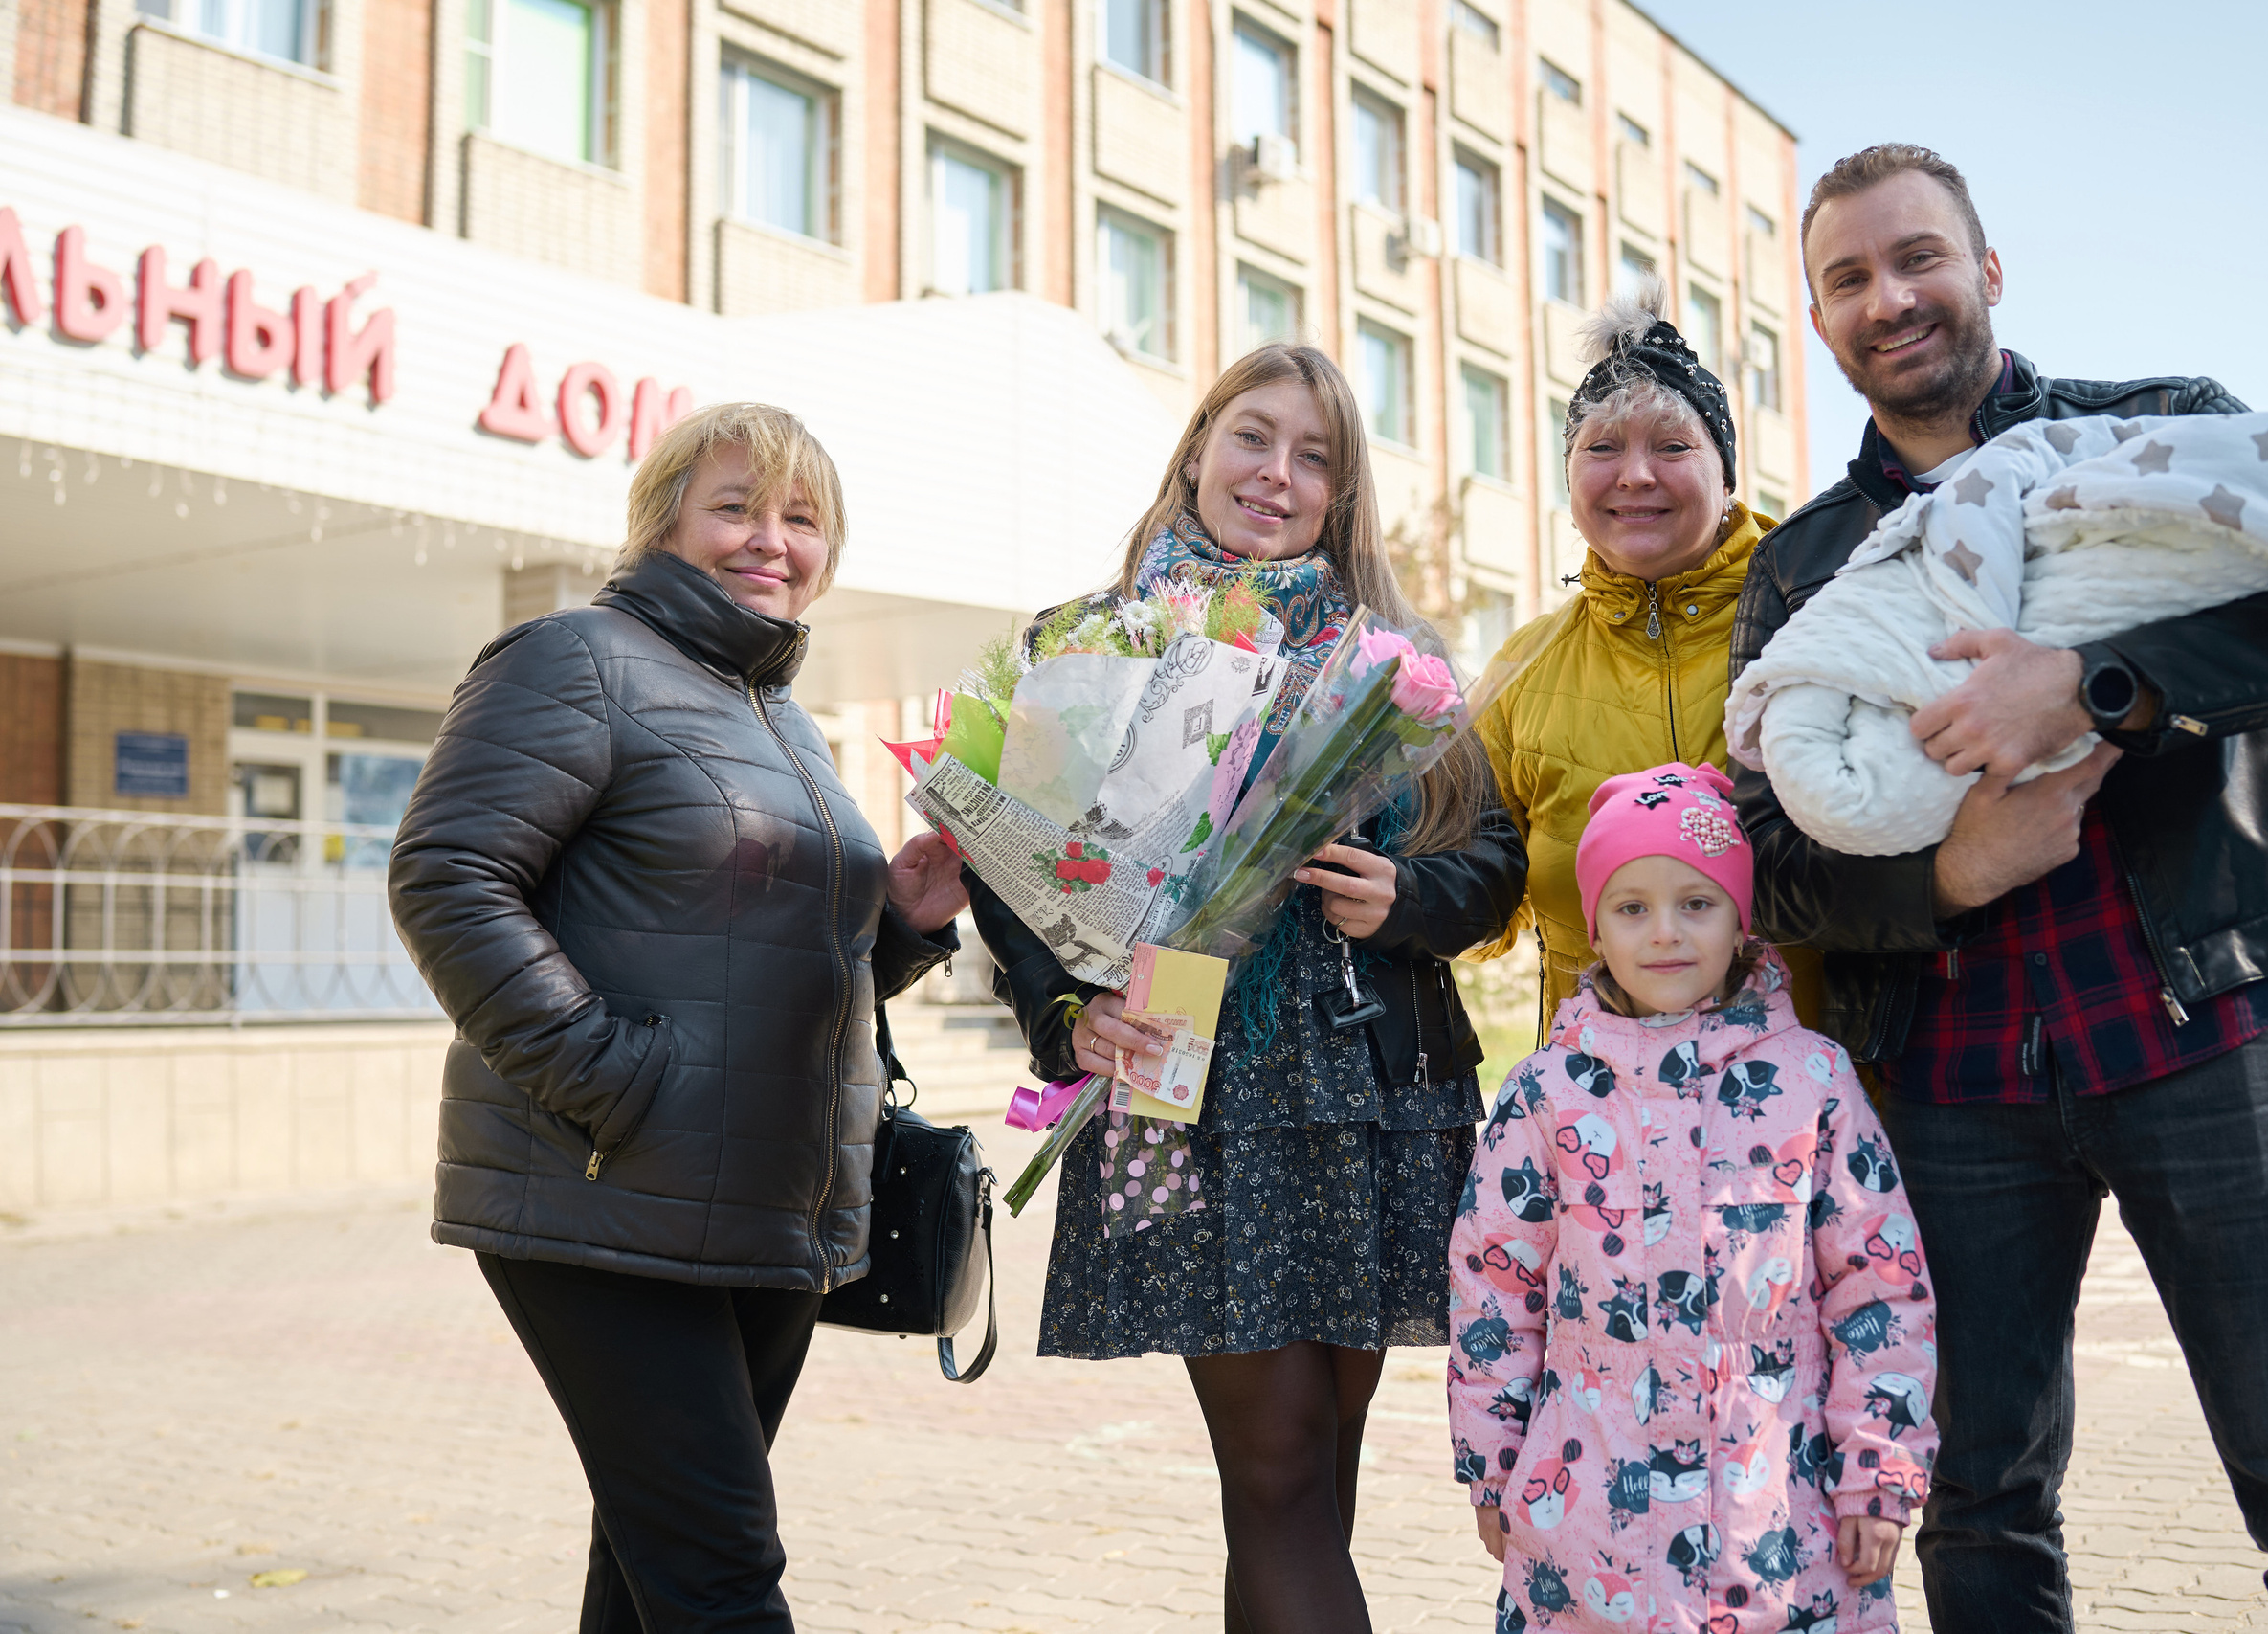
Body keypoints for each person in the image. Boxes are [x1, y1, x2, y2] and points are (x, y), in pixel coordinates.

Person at [1731, 144, 2268, 1630]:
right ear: (1819, 321)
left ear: (1989, 272)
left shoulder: (2161, 430)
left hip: (2210, 1035)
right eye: (1849, 278)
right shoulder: (1804, 566)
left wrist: (2096, 686)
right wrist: (1946, 871)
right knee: (1977, 1498)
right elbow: (1775, 866)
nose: (1892, 297)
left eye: (1919, 257)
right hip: (1948, 1084)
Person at [965, 343, 1527, 1634]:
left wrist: (1408, 900)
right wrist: (1066, 1011)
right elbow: (1012, 876)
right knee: (1275, 1469)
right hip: (1187, 1087)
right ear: (1199, 446)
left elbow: (1492, 861)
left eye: (1315, 454)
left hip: (1375, 1097)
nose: (1279, 473)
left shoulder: (1399, 659)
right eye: (1254, 436)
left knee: (1311, 1474)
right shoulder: (1088, 642)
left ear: (1342, 490)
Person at [389, 402, 969, 1633]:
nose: (771, 540)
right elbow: (447, 875)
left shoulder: (784, 722)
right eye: (737, 507)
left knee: (655, 1570)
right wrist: (611, 1080)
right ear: (664, 520)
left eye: (801, 519)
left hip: (767, 1208)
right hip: (608, 1190)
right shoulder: (573, 657)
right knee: (720, 1580)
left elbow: (764, 956)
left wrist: (903, 925)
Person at [1449, 762, 1936, 1632]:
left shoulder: (1812, 1080)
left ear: (1741, 920)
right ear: (1594, 927)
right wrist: (1495, 1465)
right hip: (1589, 1524)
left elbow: (1879, 1285)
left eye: (1697, 903)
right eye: (1632, 906)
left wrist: (1878, 1468)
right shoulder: (1547, 1092)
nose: (1665, 933)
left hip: (1782, 1522)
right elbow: (1495, 1288)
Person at [1475, 280, 1817, 1040]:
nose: (1635, 475)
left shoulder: (1817, 621)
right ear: (1570, 479)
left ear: (1726, 476)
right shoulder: (1522, 673)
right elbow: (1475, 911)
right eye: (1601, 448)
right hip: (1595, 1122)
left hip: (1806, 1120)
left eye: (1671, 446)